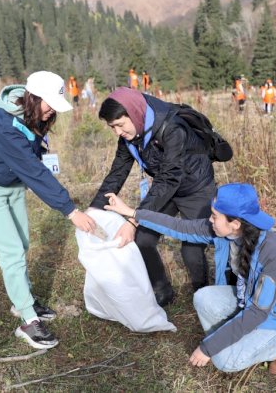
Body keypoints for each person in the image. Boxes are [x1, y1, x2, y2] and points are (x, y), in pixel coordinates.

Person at [103, 183, 276, 374]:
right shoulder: (224, 232)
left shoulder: (273, 252)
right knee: (203, 298)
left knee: (225, 360)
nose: (209, 220)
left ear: (235, 223)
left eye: (215, 216)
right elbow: (179, 227)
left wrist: (208, 348)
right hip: (248, 301)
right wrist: (133, 213)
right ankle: (235, 340)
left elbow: (257, 313)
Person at [0, 71, 97, 350]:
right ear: (33, 97)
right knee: (11, 252)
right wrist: (71, 211)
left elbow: (32, 161)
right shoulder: (2, 126)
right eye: (49, 105)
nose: (51, 113)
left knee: (21, 243)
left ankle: (21, 298)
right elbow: (34, 171)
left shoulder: (30, 115)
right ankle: (27, 319)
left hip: (12, 185)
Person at [89, 87, 216, 306]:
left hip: (196, 188)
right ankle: (162, 292)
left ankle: (204, 296)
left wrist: (134, 218)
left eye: (120, 124)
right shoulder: (130, 136)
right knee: (143, 239)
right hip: (165, 188)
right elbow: (117, 172)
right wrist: (94, 209)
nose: (118, 132)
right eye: (112, 127)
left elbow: (169, 177)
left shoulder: (172, 129)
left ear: (134, 113)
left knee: (191, 248)